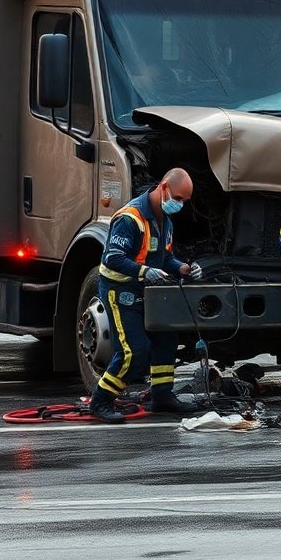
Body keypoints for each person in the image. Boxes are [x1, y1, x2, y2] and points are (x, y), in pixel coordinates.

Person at [89, 168, 205, 423]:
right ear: (163, 188)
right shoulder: (130, 219)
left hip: (147, 291)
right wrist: (145, 271)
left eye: (184, 201)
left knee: (166, 338)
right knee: (134, 350)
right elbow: (114, 258)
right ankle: (101, 400)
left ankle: (162, 396)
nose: (180, 205)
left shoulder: (165, 219)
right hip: (121, 292)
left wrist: (183, 269)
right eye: (178, 198)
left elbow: (165, 257)